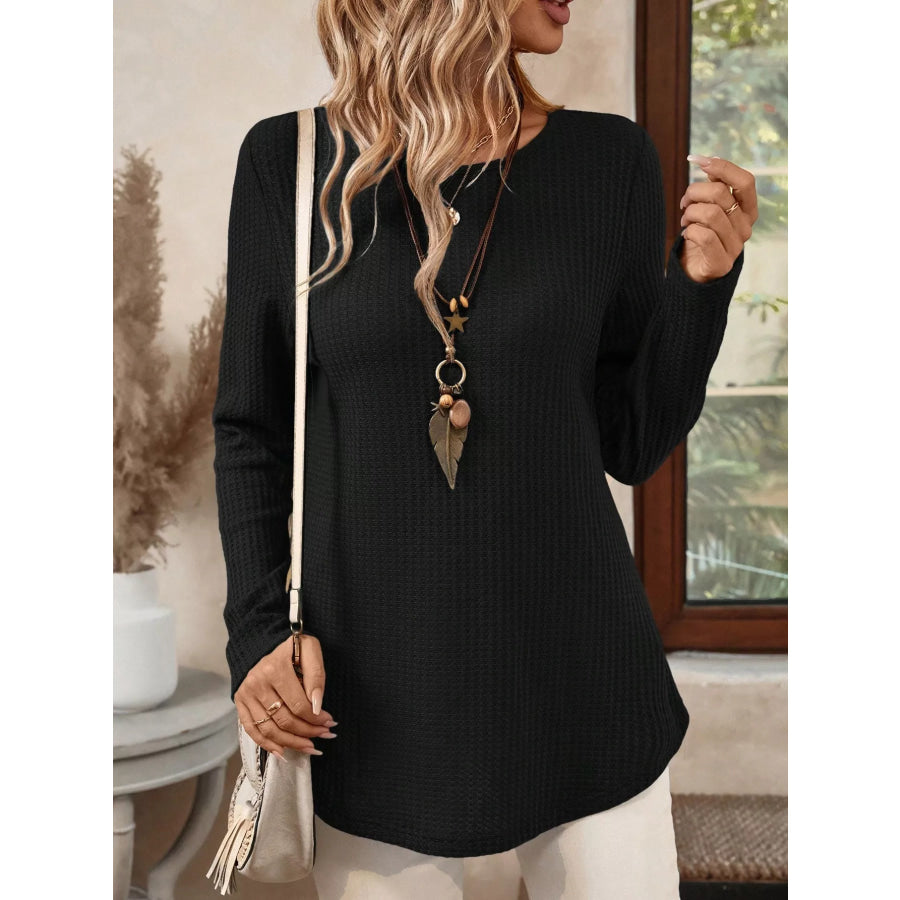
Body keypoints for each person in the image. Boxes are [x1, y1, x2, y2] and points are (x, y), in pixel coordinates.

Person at [211, 1, 756, 897]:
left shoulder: (610, 160)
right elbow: (250, 429)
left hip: (586, 687)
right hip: (372, 699)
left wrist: (701, 285)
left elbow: (632, 441)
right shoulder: (292, 163)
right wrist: (260, 634)